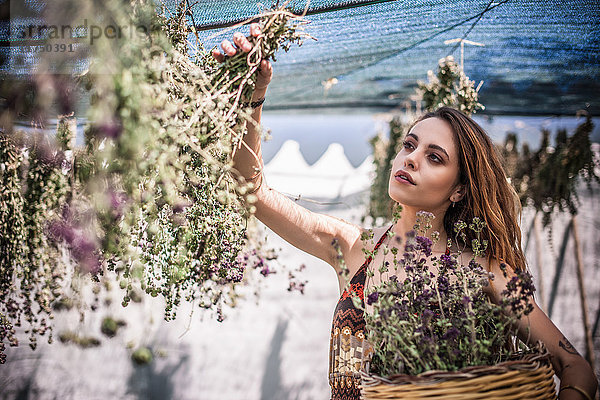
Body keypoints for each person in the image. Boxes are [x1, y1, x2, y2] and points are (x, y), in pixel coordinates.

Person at [212, 23, 598, 400]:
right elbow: (253, 192)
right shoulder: (352, 249)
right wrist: (252, 96)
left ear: (460, 189)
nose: (411, 159)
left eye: (434, 157)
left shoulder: (487, 271)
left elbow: (574, 366)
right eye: (409, 145)